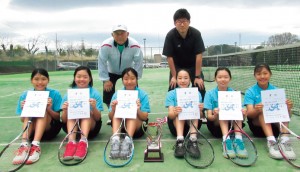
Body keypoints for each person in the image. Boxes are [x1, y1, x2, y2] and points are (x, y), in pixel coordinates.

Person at [244, 63, 295, 160]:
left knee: (283, 110)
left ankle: (285, 141)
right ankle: (271, 142)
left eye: (265, 73)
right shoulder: (250, 91)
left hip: (276, 128)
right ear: (254, 76)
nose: (262, 76)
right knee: (264, 111)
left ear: (270, 74)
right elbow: (249, 115)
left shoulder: (277, 91)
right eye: (259, 74)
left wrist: (288, 108)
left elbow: (288, 116)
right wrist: (257, 109)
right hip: (258, 128)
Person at [14, 68, 62, 165]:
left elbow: (57, 118)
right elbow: (22, 120)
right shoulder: (25, 95)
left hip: (50, 129)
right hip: (32, 130)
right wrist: (24, 109)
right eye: (36, 79)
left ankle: (36, 146)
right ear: (31, 80)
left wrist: (48, 108)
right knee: (29, 112)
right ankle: (24, 145)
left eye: (43, 79)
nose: (40, 82)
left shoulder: (55, 94)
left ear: (48, 80)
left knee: (42, 111)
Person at [98, 24, 144, 125]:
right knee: (108, 91)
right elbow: (102, 62)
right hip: (111, 71)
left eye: (122, 33)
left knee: (133, 91)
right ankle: (112, 114)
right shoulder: (105, 45)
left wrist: (135, 78)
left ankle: (133, 111)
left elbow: (139, 63)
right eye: (116, 34)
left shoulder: (135, 45)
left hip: (128, 71)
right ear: (112, 35)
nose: (119, 36)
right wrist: (105, 80)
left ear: (127, 34)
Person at [204, 67, 248, 158]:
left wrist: (244, 114)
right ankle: (226, 140)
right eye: (220, 77)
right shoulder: (209, 94)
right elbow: (209, 117)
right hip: (216, 127)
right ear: (215, 79)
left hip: (232, 126)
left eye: (226, 77)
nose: (223, 79)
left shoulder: (234, 93)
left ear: (230, 78)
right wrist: (215, 114)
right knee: (221, 111)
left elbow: (242, 119)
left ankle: (238, 140)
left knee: (238, 111)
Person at [162, 8, 206, 100]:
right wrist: (174, 76)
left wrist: (197, 76)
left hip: (193, 66)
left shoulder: (196, 34)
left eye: (184, 21)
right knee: (172, 86)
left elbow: (199, 55)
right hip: (177, 66)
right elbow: (169, 57)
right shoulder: (170, 35)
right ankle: (172, 111)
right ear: (174, 23)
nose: (182, 24)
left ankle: (201, 112)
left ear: (189, 22)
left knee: (200, 86)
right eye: (179, 21)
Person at [61, 66, 103, 161]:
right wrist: (65, 110)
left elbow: (98, 118)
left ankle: (83, 143)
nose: (81, 79)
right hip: (72, 128)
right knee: (72, 115)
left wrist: (94, 107)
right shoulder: (69, 94)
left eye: (85, 77)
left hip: (91, 128)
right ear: (74, 78)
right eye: (79, 76)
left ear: (90, 79)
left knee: (86, 112)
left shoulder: (94, 93)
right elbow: (63, 120)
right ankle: (71, 143)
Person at [108, 67, 150, 159]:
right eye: (126, 79)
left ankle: (128, 142)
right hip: (121, 128)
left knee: (132, 113)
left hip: (137, 129)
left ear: (136, 79)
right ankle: (115, 140)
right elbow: (111, 117)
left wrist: (137, 109)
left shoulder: (143, 94)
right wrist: (113, 108)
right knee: (116, 113)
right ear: (122, 80)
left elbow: (144, 117)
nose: (129, 82)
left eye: (132, 78)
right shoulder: (117, 94)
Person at [165, 69, 203, 158]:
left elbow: (201, 116)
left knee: (194, 113)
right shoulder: (171, 94)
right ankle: (180, 142)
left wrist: (200, 110)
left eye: (186, 78)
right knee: (178, 113)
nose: (183, 81)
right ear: (176, 80)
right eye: (180, 78)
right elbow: (170, 115)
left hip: (192, 126)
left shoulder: (196, 93)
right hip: (176, 126)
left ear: (190, 80)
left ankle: (193, 141)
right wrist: (175, 111)